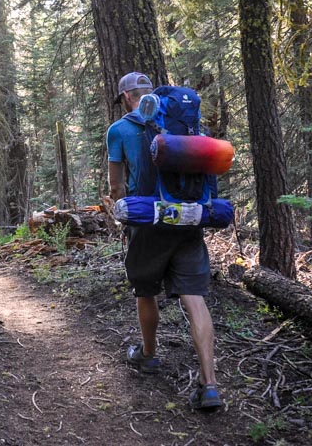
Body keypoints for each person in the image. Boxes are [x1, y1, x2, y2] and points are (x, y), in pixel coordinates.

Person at [106, 71, 223, 412]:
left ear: (128, 96)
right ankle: (210, 384)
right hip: (189, 221)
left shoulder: (121, 130)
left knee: (145, 290)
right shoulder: (192, 129)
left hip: (150, 223)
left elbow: (116, 187)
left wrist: (120, 211)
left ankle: (148, 355)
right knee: (194, 298)